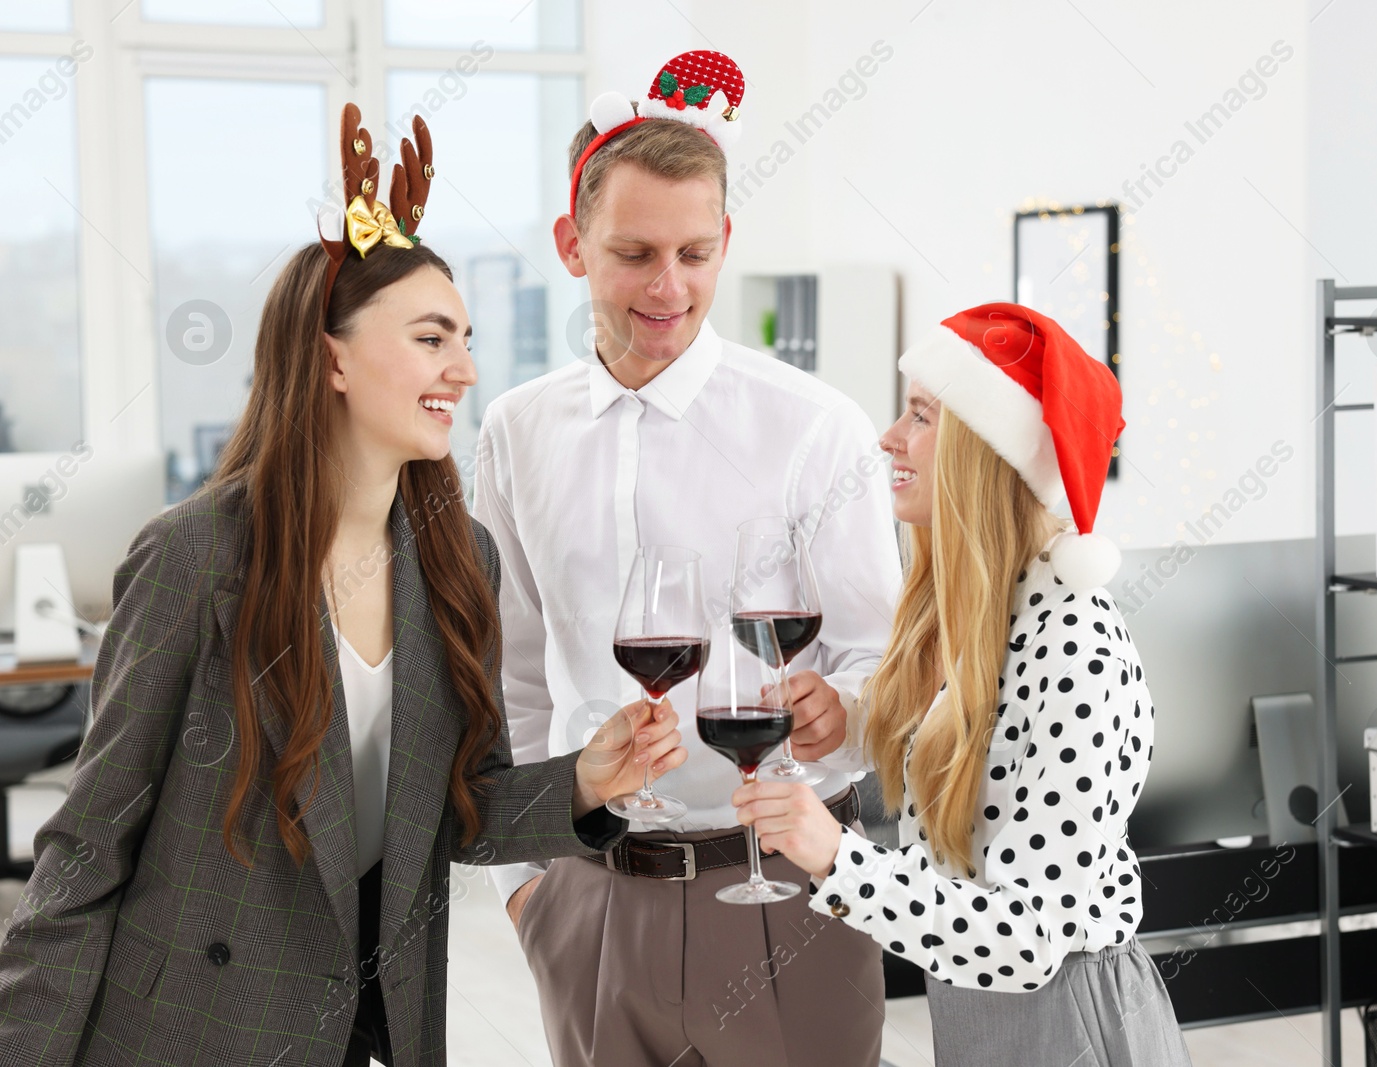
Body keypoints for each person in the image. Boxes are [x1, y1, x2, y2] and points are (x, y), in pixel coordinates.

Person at [0, 104, 685, 1067]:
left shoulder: (459, 560)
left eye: (466, 338)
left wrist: (584, 780)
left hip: (376, 1028)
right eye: (432, 339)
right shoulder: (196, 557)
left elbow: (451, 811)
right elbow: (84, 848)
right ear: (331, 357)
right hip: (188, 1034)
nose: (466, 368)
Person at [473, 51, 901, 1066]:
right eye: (633, 253)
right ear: (571, 245)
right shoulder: (513, 430)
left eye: (695, 254)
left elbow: (887, 660)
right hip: (589, 901)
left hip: (786, 889)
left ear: (725, 243)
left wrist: (845, 714)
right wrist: (529, 887)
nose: (669, 289)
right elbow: (511, 673)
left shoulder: (814, 427)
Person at [732, 304, 1194, 1065]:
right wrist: (849, 717)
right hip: (979, 1011)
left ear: (986, 450)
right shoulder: (982, 611)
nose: (889, 437)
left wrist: (835, 856)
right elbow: (975, 757)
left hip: (1065, 1019)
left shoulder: (1076, 644)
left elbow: (1027, 941)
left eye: (920, 415)